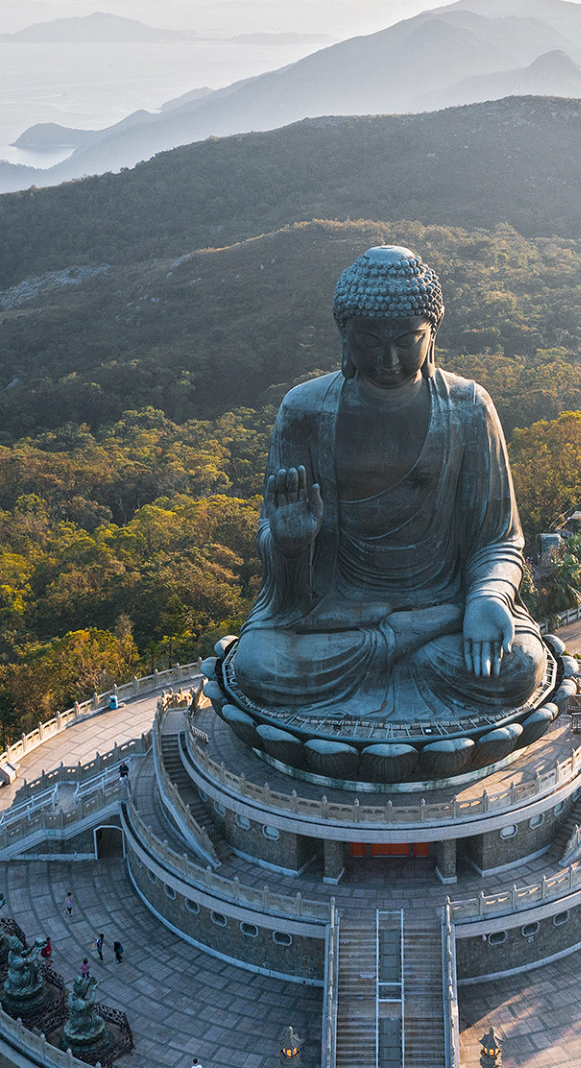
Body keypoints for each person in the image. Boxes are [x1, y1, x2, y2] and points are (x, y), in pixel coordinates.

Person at [226, 247, 550, 733]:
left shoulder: (467, 407)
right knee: (258, 664)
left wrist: (487, 598)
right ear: (344, 336)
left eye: (407, 339)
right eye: (368, 340)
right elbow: (279, 562)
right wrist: (291, 544)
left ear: (432, 333)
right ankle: (404, 642)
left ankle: (402, 645)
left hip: (443, 602)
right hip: (338, 614)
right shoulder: (304, 410)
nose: (387, 359)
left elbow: (498, 538)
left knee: (518, 666)